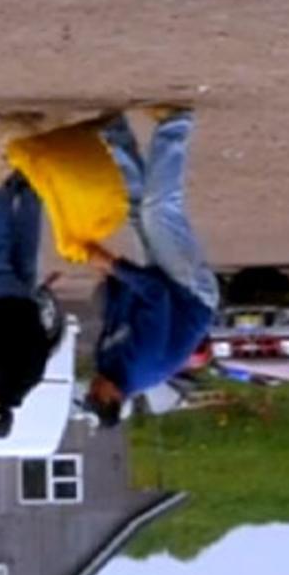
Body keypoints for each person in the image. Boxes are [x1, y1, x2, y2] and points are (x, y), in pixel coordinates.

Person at [83, 107, 216, 424]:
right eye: (95, 397)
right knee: (158, 211)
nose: (90, 389)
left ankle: (115, 133)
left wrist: (110, 276)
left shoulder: (107, 362)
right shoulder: (143, 365)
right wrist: (114, 265)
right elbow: (157, 296)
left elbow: (119, 311)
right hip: (190, 293)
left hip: (164, 285)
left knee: (135, 212)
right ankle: (175, 125)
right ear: (114, 397)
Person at [0, 171, 61, 434]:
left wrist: (39, 298)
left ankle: (32, 188)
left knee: (26, 243)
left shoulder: (31, 379)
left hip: (26, 300)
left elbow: (44, 341)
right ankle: (2, 185)